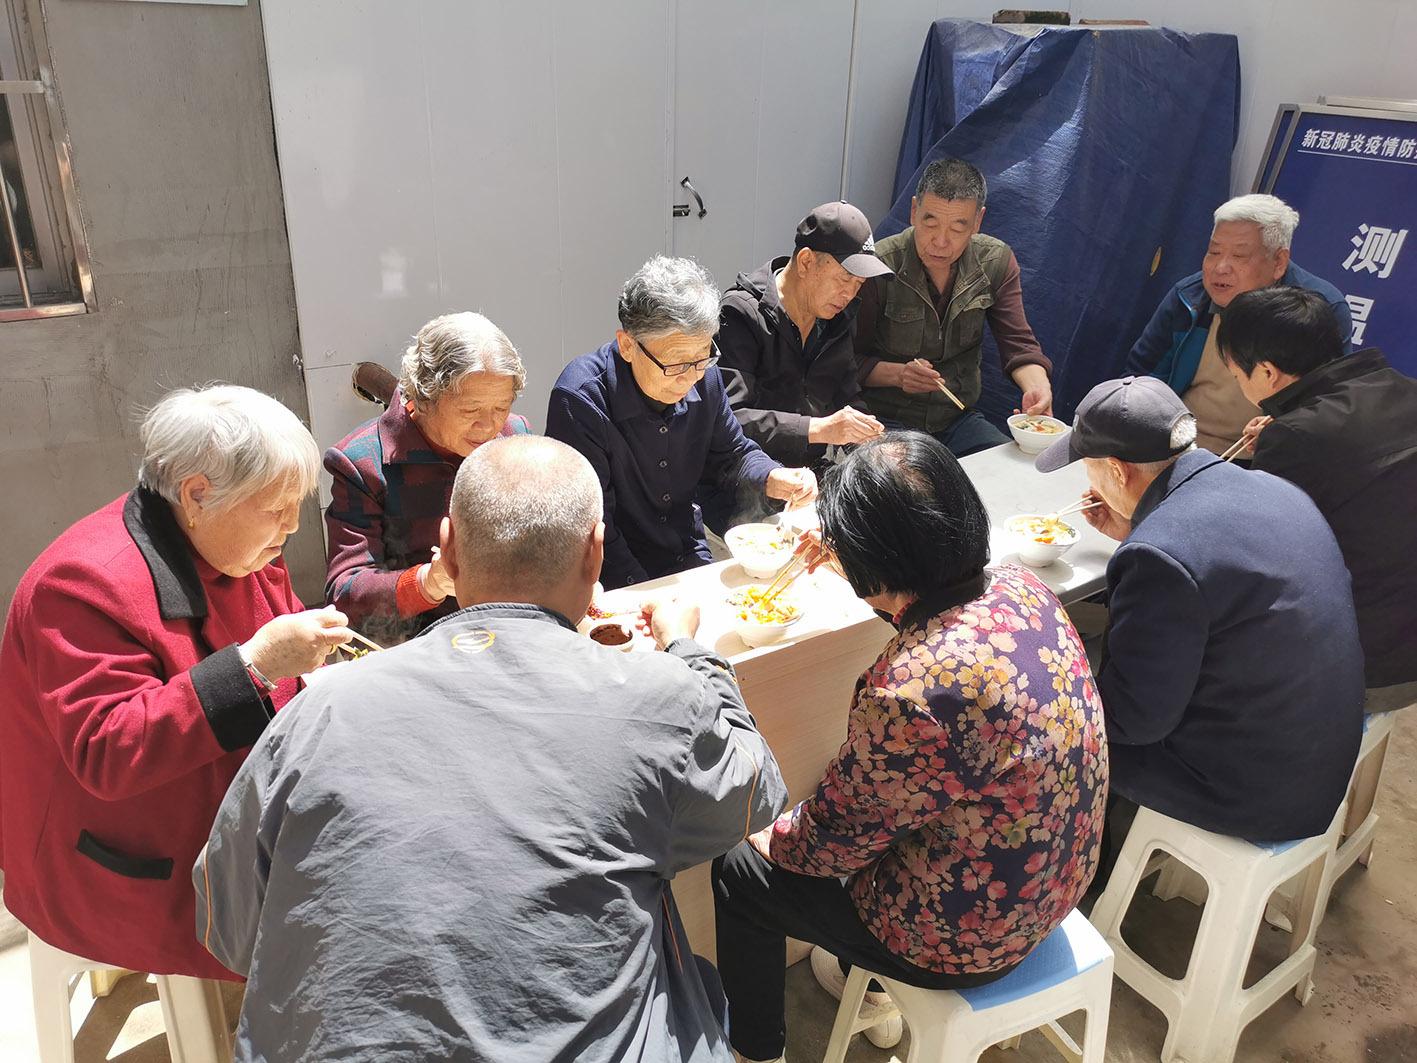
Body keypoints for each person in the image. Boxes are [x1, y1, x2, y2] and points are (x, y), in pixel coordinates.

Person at [195, 435, 787, 1062]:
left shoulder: (316, 711)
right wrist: (689, 655)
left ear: (448, 546)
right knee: (693, 976)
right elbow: (756, 795)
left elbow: (228, 924)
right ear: (597, 552)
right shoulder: (660, 698)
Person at [712, 433, 1107, 1063]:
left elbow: (831, 839)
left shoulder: (914, 694)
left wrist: (774, 836)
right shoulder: (1020, 589)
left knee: (742, 872)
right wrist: (860, 570)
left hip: (972, 937)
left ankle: (755, 1050)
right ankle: (863, 985)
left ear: (882, 559)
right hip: (1059, 880)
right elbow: (926, 615)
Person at [0, 385, 351, 982]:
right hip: (123, 857)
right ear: (196, 494)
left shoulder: (240, 543)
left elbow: (283, 653)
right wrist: (256, 665)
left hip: (229, 807)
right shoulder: (82, 585)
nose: (292, 527)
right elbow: (108, 750)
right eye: (276, 507)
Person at [1035, 377, 1363, 865]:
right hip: (1316, 756)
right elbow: (1206, 565)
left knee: (1039, 734)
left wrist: (1038, 681)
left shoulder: (1163, 555)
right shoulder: (1274, 488)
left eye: (1089, 468)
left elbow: (1131, 719)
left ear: (1117, 471)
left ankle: (1070, 883)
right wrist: (1140, 528)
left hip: (1250, 791)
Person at [547, 256, 817, 588]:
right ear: (627, 345)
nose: (690, 378)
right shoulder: (580, 400)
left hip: (686, 551)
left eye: (702, 357)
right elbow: (593, 525)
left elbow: (732, 454)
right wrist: (646, 595)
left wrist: (772, 476)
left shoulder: (706, 376)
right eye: (676, 364)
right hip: (612, 572)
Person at [1218, 286, 1417, 713]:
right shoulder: (1402, 387)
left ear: (1267, 372)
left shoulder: (1297, 437)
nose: (1239, 385)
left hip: (1363, 664)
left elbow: (1260, 559)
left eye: (1237, 375)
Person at [324, 311, 531, 642]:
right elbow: (344, 593)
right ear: (423, 399)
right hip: (417, 641)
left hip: (505, 626)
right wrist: (426, 583)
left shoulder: (513, 435)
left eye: (500, 408)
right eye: (470, 411)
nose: (489, 427)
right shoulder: (362, 463)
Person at [854, 157, 1053, 456]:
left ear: (977, 222)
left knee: (1012, 474)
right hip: (886, 421)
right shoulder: (878, 266)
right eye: (930, 222)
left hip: (957, 420)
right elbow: (845, 361)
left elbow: (1019, 346)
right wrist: (898, 375)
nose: (941, 241)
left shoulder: (996, 262)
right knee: (912, 487)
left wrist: (1038, 388)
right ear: (913, 212)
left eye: (958, 228)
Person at [1125, 193, 1353, 455]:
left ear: (1278, 262)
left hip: (1260, 458)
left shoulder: (1317, 311)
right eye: (1214, 252)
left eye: (1239, 255)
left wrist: (1279, 431)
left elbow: (1327, 406)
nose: (1220, 267)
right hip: (1176, 443)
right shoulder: (1189, 297)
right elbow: (1141, 376)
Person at [714, 201, 887, 479]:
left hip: (810, 472)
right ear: (806, 261)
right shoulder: (741, 313)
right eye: (844, 279)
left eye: (858, 285)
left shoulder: (837, 318)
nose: (849, 295)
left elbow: (848, 396)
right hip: (747, 476)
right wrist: (818, 428)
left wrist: (871, 443)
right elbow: (730, 418)